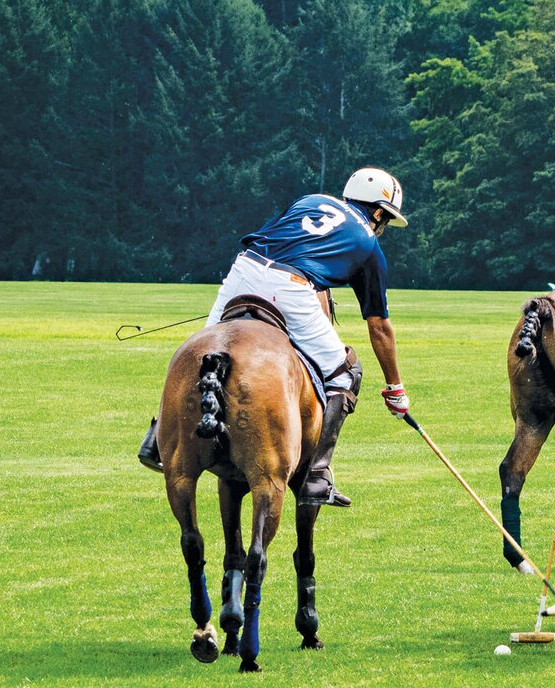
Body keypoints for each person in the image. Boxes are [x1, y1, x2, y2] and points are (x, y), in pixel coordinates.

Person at [138, 168, 412, 507]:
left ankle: (157, 439)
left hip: (243, 270)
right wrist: (395, 388)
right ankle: (316, 475)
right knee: (346, 372)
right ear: (378, 212)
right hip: (291, 289)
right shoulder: (368, 243)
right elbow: (379, 326)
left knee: (199, 355)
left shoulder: (310, 200)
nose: (382, 229)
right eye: (385, 221)